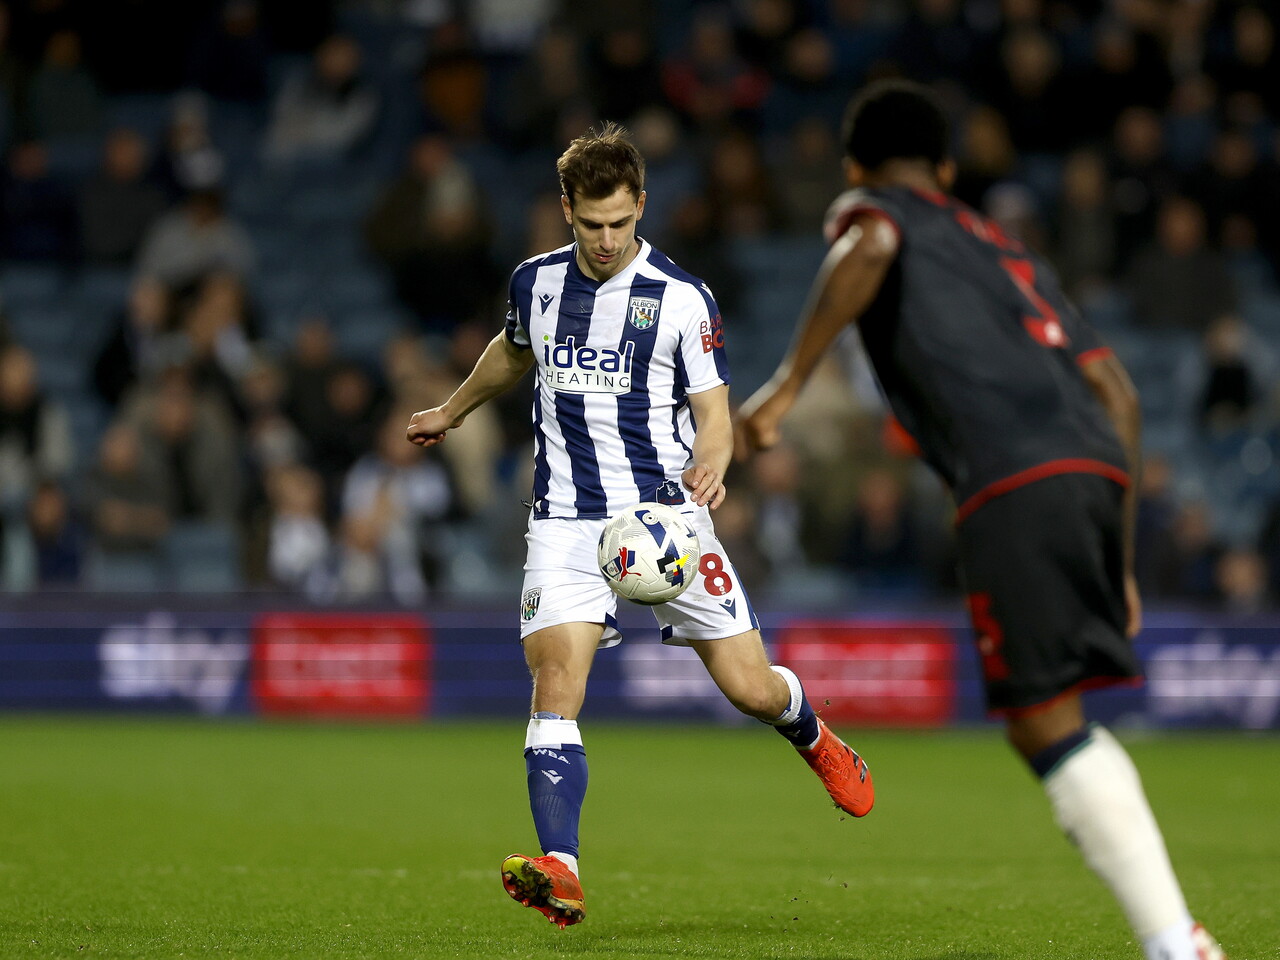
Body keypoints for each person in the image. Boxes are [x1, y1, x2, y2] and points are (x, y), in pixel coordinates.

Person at [737, 80, 1224, 960]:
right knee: (1050, 718)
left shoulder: (871, 208)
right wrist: (1117, 562)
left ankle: (1175, 942)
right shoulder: (1006, 249)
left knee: (1044, 722)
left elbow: (874, 240)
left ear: (857, 166)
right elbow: (1118, 390)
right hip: (1091, 461)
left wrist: (783, 389)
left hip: (1010, 477)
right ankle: (1173, 936)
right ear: (948, 169)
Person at [406, 123, 873, 929]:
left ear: (641, 207)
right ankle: (562, 865)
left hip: (667, 524)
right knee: (555, 686)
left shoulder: (683, 300)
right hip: (566, 522)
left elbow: (714, 416)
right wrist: (452, 409)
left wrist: (715, 464)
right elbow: (515, 352)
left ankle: (811, 732)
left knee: (750, 689)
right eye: (591, 225)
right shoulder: (535, 284)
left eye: (620, 223)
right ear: (567, 212)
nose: (607, 241)